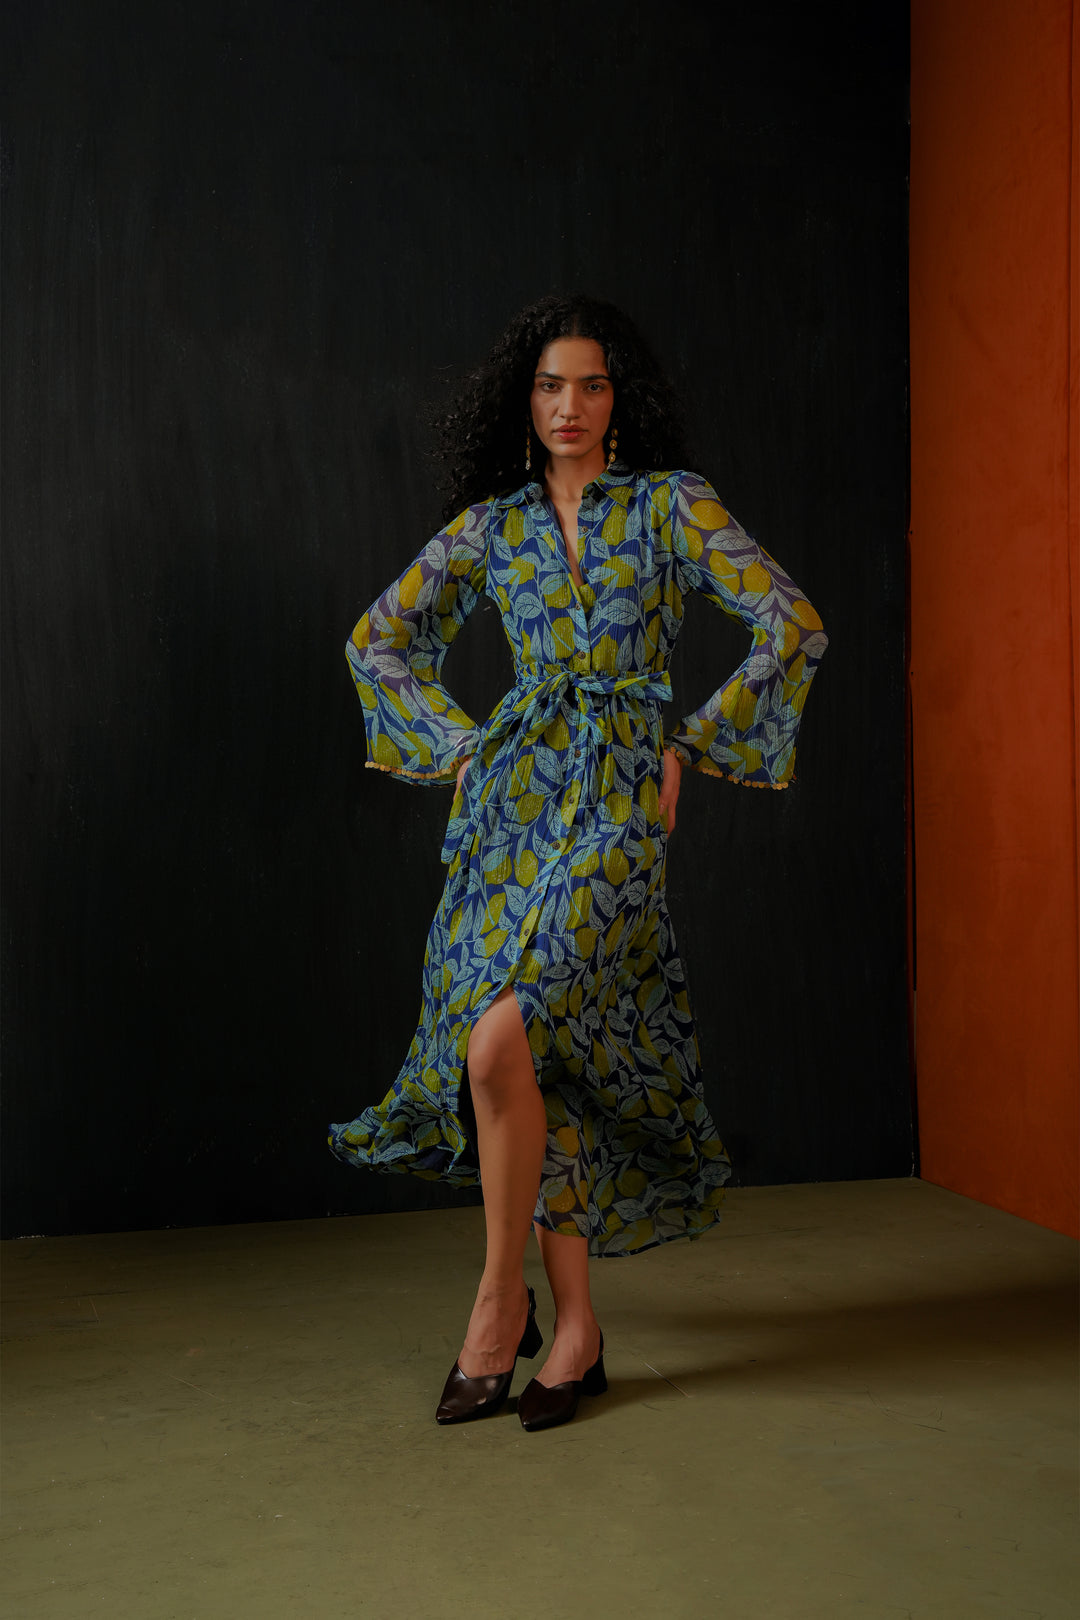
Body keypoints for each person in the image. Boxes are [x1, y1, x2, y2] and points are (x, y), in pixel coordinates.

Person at [329, 294, 827, 1432]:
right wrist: (461, 747)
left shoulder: (671, 506)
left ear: (619, 398)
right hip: (514, 804)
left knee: (509, 1031)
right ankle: (578, 1330)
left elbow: (792, 622)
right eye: (550, 385)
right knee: (533, 1056)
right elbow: (377, 640)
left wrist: (688, 745)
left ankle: (495, 1304)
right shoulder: (491, 528)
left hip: (615, 806)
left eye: (591, 385)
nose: (570, 406)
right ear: (524, 400)